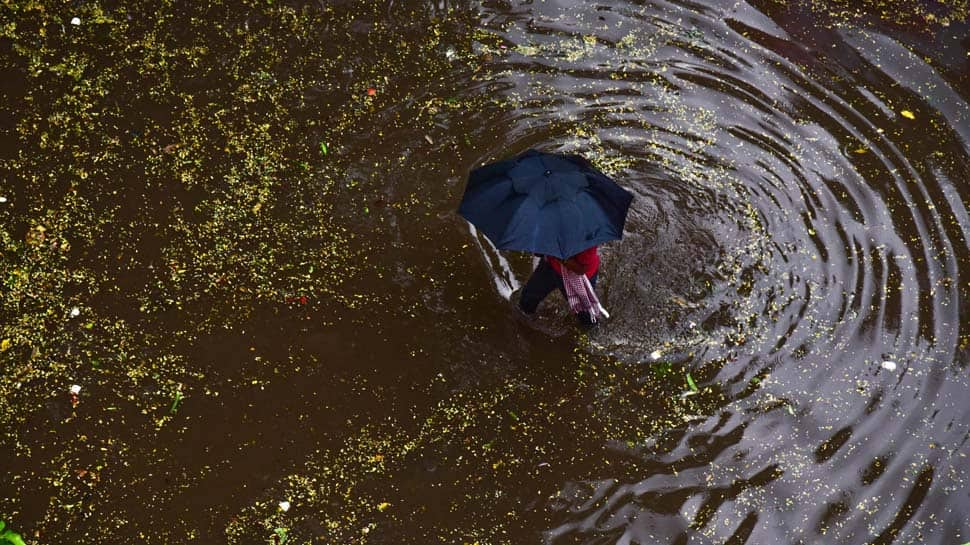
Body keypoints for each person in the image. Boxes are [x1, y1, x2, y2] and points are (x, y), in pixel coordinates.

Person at [518, 245, 600, 328]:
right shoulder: (550, 232)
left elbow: (581, 269)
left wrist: (554, 253)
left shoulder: (586, 238)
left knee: (588, 317)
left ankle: (592, 330)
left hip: (578, 278)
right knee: (526, 301)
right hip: (550, 265)